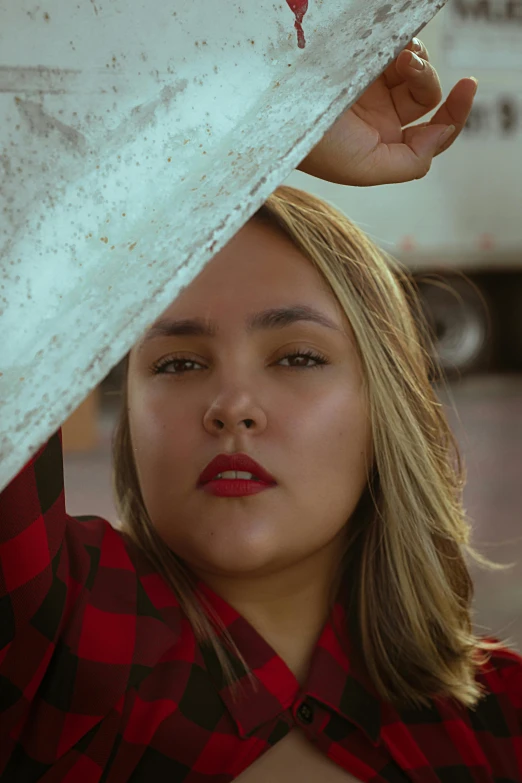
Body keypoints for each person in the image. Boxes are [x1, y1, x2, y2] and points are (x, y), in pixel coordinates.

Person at [1, 38, 521, 783]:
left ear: (387, 408)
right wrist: (255, 123)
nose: (232, 406)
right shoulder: (52, 642)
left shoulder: (501, 722)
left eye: (297, 357)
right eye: (178, 363)